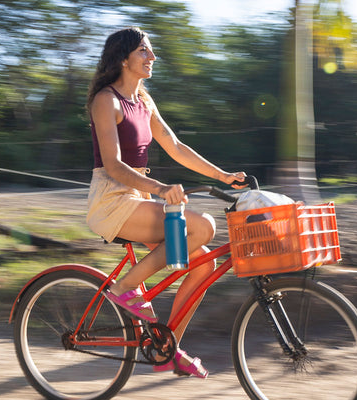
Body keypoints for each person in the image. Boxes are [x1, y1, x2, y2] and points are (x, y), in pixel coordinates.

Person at [84, 27, 246, 379]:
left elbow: (175, 146)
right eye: (144, 51)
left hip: (138, 197)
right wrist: (160, 188)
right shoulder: (106, 100)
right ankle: (125, 288)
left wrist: (222, 176)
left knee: (202, 269)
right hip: (112, 201)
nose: (152, 57)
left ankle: (166, 349)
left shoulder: (143, 100)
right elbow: (113, 165)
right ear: (123, 58)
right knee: (203, 226)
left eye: (150, 51)